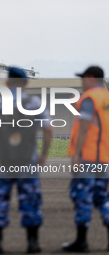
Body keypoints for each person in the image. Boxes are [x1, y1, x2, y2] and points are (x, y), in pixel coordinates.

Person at [0, 67, 52, 254]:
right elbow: (48, 129)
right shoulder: (34, 102)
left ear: (7, 83)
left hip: (1, 162)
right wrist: (43, 155)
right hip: (27, 162)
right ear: (26, 84)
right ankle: (32, 242)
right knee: (30, 201)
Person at [64, 66, 109, 253]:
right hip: (105, 159)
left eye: (82, 79)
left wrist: (76, 155)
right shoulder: (107, 97)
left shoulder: (90, 98)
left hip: (88, 158)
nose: (81, 83)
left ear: (90, 78)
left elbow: (84, 127)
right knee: (103, 200)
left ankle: (81, 242)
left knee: (82, 198)